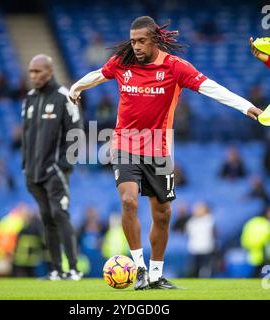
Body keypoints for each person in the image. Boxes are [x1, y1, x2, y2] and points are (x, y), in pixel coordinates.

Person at [70, 16, 262, 290]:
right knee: (128, 201)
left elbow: (213, 89)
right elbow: (98, 75)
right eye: (133, 40)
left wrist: (248, 108)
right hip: (125, 144)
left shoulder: (175, 68)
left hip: (159, 149)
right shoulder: (122, 63)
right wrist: (77, 87)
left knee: (162, 214)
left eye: (141, 41)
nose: (135, 46)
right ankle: (138, 269)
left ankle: (156, 275)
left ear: (155, 40)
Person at [22, 54, 83, 280]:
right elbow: (27, 134)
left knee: (59, 213)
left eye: (38, 71)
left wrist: (64, 165)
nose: (33, 76)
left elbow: (76, 132)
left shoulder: (64, 97)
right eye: (31, 72)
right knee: (46, 217)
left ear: (50, 72)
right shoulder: (29, 98)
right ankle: (56, 270)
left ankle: (74, 269)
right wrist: (24, 165)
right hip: (33, 172)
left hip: (55, 171)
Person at [185, 202, 216, 278]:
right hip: (195, 248)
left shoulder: (209, 220)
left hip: (206, 248)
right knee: (195, 268)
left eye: (200, 209)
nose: (197, 211)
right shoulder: (191, 221)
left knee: (205, 268)